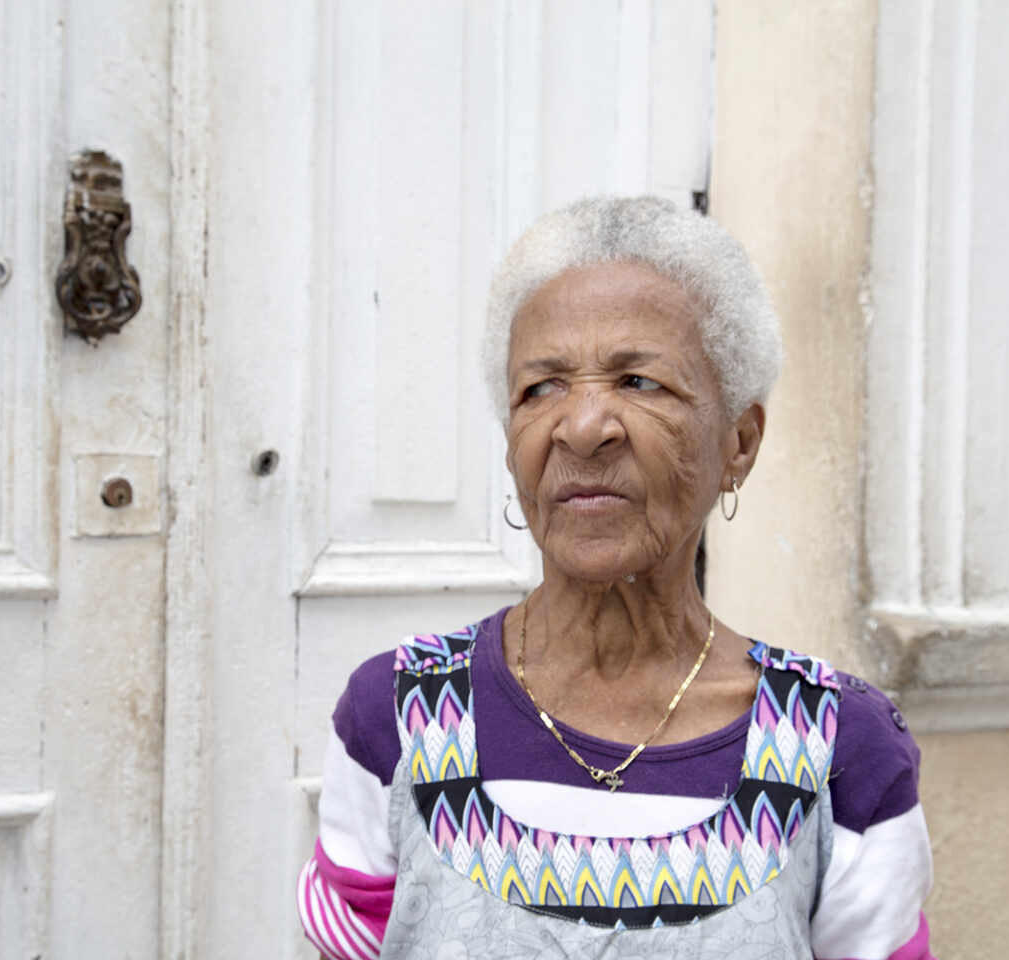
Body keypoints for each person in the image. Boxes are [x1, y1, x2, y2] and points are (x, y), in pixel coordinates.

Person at [296, 197, 934, 959]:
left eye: (637, 381)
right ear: (511, 445)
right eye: (542, 388)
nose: (581, 426)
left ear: (739, 442)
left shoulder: (839, 750)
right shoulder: (397, 717)